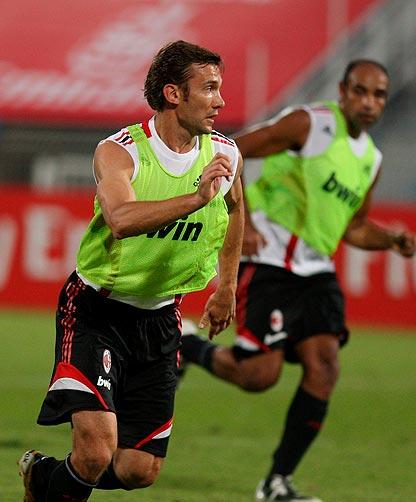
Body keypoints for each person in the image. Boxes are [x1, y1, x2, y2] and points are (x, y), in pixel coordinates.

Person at [179, 60, 416, 502]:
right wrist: (244, 219)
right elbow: (230, 149)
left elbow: (354, 228)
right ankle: (186, 346)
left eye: (379, 95)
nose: (369, 102)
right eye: (361, 91)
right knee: (257, 375)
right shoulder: (310, 124)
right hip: (271, 260)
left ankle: (277, 482)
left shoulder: (372, 160)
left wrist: (391, 239)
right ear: (343, 90)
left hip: (316, 271)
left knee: (325, 366)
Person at [18, 40, 243, 502]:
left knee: (139, 470)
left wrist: (227, 286)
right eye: (209, 88)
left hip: (160, 319)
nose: (220, 101)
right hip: (96, 313)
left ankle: (44, 479)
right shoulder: (121, 152)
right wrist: (194, 199)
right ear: (173, 94)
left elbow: (236, 208)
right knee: (96, 452)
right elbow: (120, 219)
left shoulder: (225, 153)